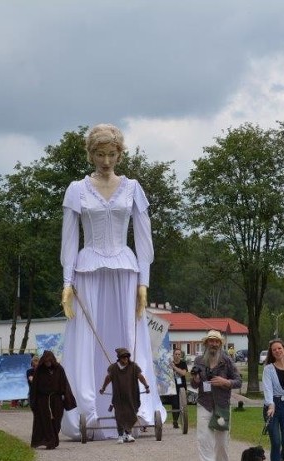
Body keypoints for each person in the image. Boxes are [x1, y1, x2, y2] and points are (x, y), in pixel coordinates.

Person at [58, 123, 165, 441]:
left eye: (112, 154)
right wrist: (67, 281)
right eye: (100, 154)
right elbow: (68, 239)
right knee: (87, 338)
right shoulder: (77, 189)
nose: (106, 160)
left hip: (124, 269)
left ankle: (138, 408)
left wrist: (144, 282)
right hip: (88, 269)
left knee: (130, 336)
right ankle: (87, 410)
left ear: (120, 153)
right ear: (91, 154)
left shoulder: (132, 188)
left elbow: (144, 239)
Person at [190, 330, 241, 461]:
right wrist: (196, 379)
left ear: (220, 344)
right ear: (206, 343)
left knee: (222, 442)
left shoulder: (227, 361)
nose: (213, 344)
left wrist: (226, 382)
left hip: (222, 405)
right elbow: (193, 384)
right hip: (204, 403)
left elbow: (238, 381)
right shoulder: (199, 360)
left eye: (216, 341)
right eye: (211, 341)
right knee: (204, 440)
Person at [99, 348, 151, 444]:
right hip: (118, 397)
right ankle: (120, 435)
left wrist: (146, 386)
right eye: (123, 357)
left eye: (127, 356)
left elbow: (140, 376)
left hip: (132, 395)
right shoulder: (113, 368)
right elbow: (108, 378)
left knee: (131, 414)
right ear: (119, 358)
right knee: (119, 415)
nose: (126, 359)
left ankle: (128, 434)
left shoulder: (134, 367)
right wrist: (103, 388)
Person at [30, 351, 77, 449]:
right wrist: (33, 401)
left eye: (49, 361)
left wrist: (67, 398)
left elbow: (65, 384)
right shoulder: (39, 370)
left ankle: (53, 440)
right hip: (43, 400)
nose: (48, 363)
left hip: (56, 399)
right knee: (44, 421)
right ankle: (48, 442)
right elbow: (34, 387)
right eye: (46, 361)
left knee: (56, 421)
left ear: (52, 360)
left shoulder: (59, 369)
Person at [168, 348, 189, 428]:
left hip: (182, 387)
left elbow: (183, 373)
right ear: (173, 355)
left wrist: (174, 368)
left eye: (179, 354)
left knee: (182, 405)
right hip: (173, 387)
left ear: (181, 355)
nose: (177, 356)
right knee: (175, 404)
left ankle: (182, 420)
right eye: (176, 354)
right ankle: (175, 421)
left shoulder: (183, 363)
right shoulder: (170, 363)